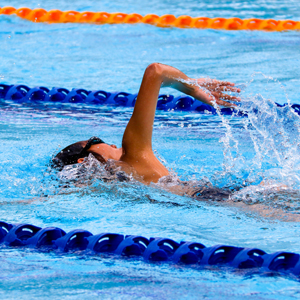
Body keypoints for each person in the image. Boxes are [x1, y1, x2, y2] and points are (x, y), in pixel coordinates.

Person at [52, 63, 240, 199]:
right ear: (84, 161)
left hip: (214, 201)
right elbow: (156, 71)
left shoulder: (120, 188)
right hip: (222, 198)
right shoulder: (132, 154)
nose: (111, 144)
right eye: (96, 140)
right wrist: (194, 88)